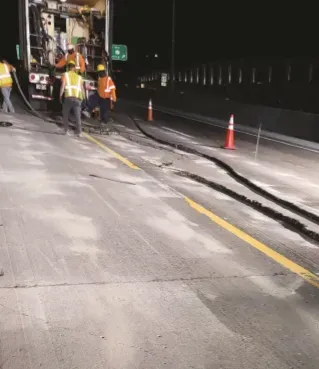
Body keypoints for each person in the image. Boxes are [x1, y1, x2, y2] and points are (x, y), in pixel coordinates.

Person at [59, 60, 85, 137]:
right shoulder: (79, 77)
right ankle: (79, 132)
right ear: (74, 68)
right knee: (78, 116)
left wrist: (60, 96)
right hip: (77, 99)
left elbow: (62, 86)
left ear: (68, 67)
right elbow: (82, 89)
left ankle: (66, 131)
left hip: (68, 98)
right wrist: (83, 98)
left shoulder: (65, 75)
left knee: (66, 114)